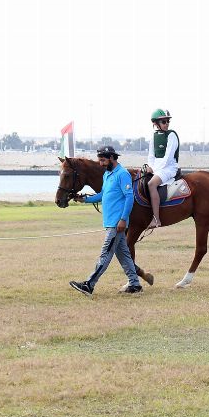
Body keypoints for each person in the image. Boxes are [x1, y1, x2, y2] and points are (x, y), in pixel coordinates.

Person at [69, 146, 142, 296]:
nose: (100, 163)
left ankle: (89, 285)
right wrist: (85, 200)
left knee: (105, 254)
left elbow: (130, 197)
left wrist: (123, 219)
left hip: (117, 223)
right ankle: (135, 284)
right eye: (99, 160)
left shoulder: (122, 174)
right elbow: (103, 194)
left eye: (102, 160)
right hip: (110, 222)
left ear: (112, 158)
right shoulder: (107, 174)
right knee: (124, 255)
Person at [145, 108, 179, 228]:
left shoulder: (172, 135)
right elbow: (151, 156)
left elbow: (168, 158)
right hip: (157, 168)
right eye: (163, 122)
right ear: (155, 123)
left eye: (167, 121)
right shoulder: (153, 137)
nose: (166, 124)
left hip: (169, 168)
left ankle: (156, 219)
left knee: (151, 184)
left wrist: (154, 170)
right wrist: (150, 167)